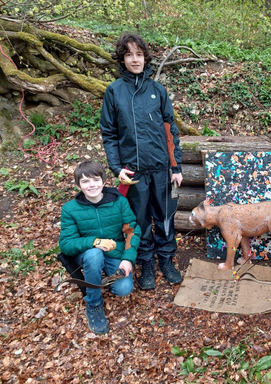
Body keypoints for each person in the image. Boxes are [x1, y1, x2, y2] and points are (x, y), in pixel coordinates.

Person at [100, 33, 183, 290]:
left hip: (161, 169)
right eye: (128, 54)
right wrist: (117, 169)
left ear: (145, 58)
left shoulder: (158, 90)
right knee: (140, 220)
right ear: (122, 58)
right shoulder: (114, 91)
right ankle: (146, 262)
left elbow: (171, 130)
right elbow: (109, 134)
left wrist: (176, 166)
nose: (134, 59)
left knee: (165, 216)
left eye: (138, 54)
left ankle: (166, 259)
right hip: (133, 172)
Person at [59, 161, 141, 335]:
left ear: (103, 181)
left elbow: (132, 231)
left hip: (114, 251)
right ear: (78, 185)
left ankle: (102, 277)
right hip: (88, 254)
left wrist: (127, 259)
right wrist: (94, 242)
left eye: (95, 180)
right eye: (85, 181)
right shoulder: (69, 209)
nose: (91, 185)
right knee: (94, 256)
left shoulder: (119, 202)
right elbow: (66, 244)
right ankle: (94, 304)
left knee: (123, 289)